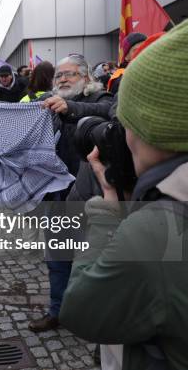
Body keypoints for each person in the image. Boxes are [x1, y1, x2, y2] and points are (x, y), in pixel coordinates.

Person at [60, 12, 188, 370]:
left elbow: (82, 311)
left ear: (161, 129)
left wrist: (110, 216)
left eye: (127, 123)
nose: (123, 136)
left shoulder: (159, 232)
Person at [28, 54, 114, 333]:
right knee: (58, 258)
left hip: (93, 199)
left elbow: (107, 113)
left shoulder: (102, 99)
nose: (63, 79)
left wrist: (70, 108)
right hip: (57, 198)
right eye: (58, 76)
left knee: (94, 263)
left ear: (86, 78)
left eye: (70, 74)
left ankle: (97, 323)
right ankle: (58, 312)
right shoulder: (48, 107)